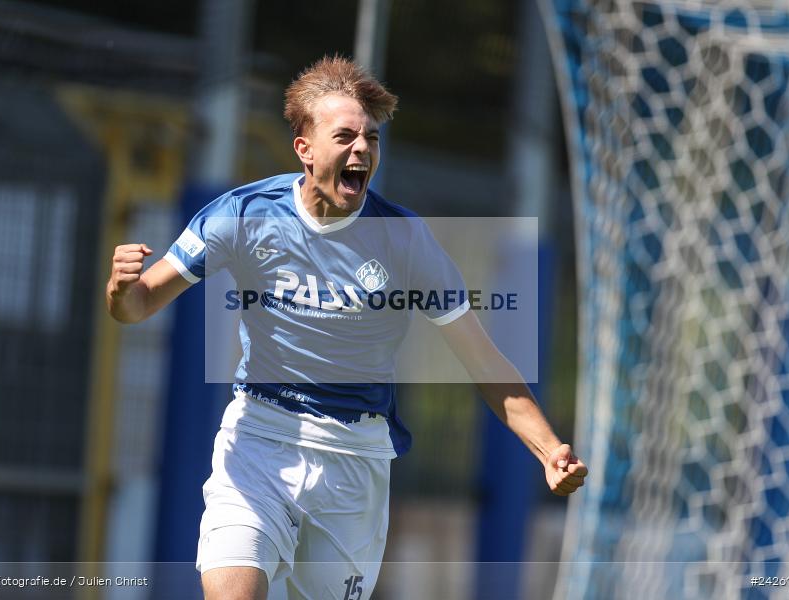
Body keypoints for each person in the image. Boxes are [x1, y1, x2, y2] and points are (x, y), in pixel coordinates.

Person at [106, 56, 587, 600]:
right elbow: (139, 304)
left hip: (354, 460)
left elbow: (483, 361)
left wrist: (548, 450)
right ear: (304, 149)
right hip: (260, 439)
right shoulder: (242, 214)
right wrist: (123, 290)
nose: (362, 149)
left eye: (372, 140)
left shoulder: (405, 240)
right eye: (345, 136)